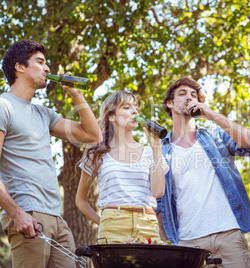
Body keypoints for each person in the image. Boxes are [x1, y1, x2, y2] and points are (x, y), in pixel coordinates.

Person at [0, 40, 102, 267]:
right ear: (20, 67)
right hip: (29, 212)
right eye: (40, 62)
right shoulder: (3, 106)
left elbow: (92, 136)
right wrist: (17, 214)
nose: (48, 69)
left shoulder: (43, 114)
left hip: (56, 217)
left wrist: (76, 95)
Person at [156, 77, 250, 267]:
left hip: (229, 235)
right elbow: (159, 202)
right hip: (189, 242)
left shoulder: (216, 137)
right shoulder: (159, 150)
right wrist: (168, 240)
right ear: (169, 103)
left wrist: (212, 115)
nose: (189, 97)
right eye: (182, 94)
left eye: (193, 95)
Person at [76, 91, 167, 244]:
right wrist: (104, 223)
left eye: (135, 107)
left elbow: (158, 192)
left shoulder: (150, 152)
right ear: (111, 116)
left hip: (148, 226)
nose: (135, 111)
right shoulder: (96, 153)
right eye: (126, 107)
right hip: (112, 227)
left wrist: (157, 149)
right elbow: (80, 201)